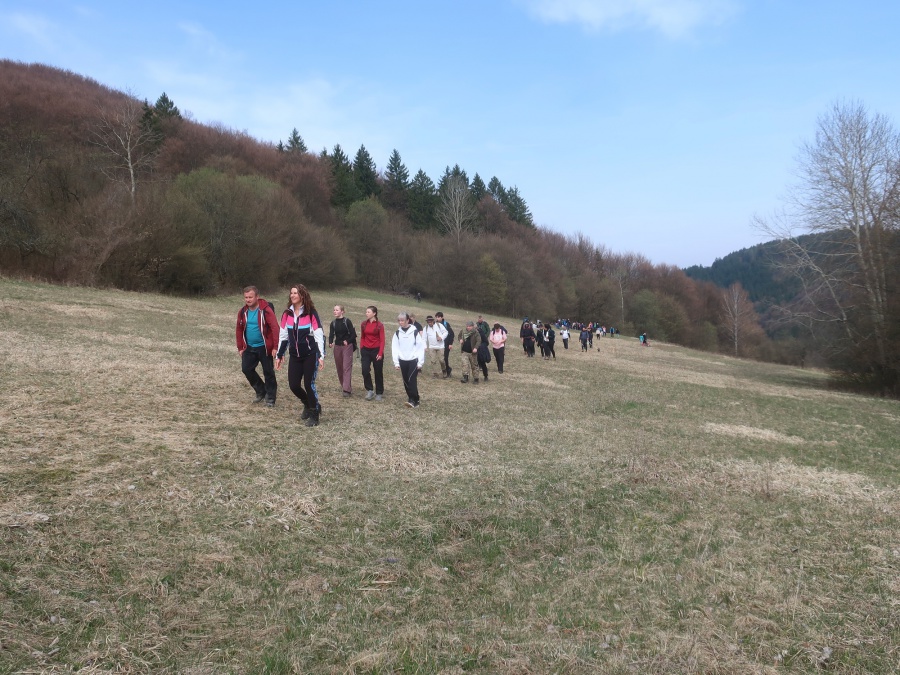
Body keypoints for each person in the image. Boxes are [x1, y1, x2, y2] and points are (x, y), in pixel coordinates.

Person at [275, 284, 325, 426]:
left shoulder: (311, 313)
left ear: (302, 295)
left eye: (295, 293)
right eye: (291, 293)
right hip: (295, 356)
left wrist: (321, 355)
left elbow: (318, 334)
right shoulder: (287, 314)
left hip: (310, 354)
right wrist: (279, 355)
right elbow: (283, 336)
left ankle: (314, 413)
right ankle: (308, 403)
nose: (292, 295)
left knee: (309, 384)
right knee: (294, 385)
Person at [235, 285, 279, 407]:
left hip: (264, 347)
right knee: (246, 369)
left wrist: (275, 347)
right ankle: (261, 391)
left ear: (257, 297)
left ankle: (270, 398)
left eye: (250, 297)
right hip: (249, 347)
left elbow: (275, 328)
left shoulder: (266, 310)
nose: (248, 300)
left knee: (268, 372)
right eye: (246, 297)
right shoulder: (243, 312)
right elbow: (239, 329)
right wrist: (240, 347)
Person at [392, 312, 426, 407]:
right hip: (402, 360)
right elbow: (395, 348)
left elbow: (420, 347)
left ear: (407, 320)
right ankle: (416, 399)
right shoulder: (397, 333)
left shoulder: (414, 332)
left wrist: (420, 362)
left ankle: (412, 400)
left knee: (411, 380)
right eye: (399, 321)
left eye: (402, 320)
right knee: (406, 380)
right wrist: (396, 362)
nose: (400, 322)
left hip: (413, 360)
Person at [328, 305, 357, 397]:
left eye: (337, 310)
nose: (335, 311)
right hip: (337, 347)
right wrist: (330, 342)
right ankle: (344, 385)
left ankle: (346, 390)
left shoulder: (347, 321)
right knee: (339, 368)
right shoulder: (333, 323)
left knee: (346, 367)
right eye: (334, 310)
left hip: (347, 347)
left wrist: (347, 341)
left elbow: (353, 334)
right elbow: (331, 334)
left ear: (342, 311)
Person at [359, 305, 386, 401]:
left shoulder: (379, 325)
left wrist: (380, 353)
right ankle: (370, 390)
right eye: (366, 312)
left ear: (374, 313)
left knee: (378, 372)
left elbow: (382, 340)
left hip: (376, 350)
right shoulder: (363, 324)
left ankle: (379, 392)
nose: (366, 313)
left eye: (368, 312)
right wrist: (362, 347)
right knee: (365, 370)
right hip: (365, 350)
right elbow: (362, 337)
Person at [435, 311, 454, 378]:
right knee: (441, 359)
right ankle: (446, 370)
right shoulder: (435, 324)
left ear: (442, 317)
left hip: (446, 344)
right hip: (439, 344)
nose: (437, 318)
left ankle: (448, 371)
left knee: (445, 358)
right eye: (436, 317)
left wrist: (450, 344)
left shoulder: (446, 324)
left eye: (438, 317)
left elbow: (452, 334)